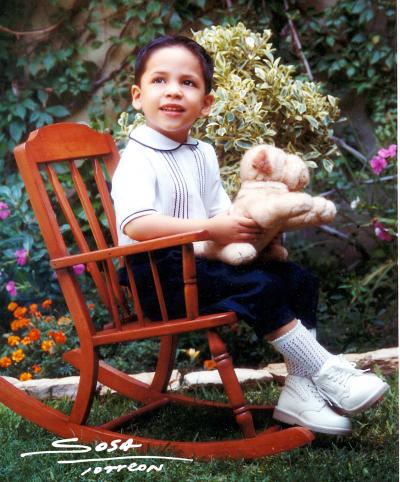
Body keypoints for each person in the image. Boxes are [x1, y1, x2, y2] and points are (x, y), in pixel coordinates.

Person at [111, 35, 389, 436]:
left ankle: (299, 393)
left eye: (188, 83)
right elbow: (136, 224)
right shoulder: (138, 157)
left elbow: (221, 212)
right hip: (160, 276)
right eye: (159, 81)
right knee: (260, 287)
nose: (173, 90)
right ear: (138, 96)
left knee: (296, 279)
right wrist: (210, 230)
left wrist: (256, 224)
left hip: (202, 263)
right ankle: (328, 371)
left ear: (206, 103)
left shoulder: (201, 153)